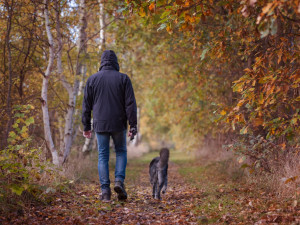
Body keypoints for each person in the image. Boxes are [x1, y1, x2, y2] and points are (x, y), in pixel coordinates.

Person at [81, 50, 137, 201]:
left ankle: (105, 192)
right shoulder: (123, 79)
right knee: (120, 152)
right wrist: (133, 125)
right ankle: (119, 181)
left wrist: (86, 126)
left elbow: (86, 105)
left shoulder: (92, 80)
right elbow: (130, 104)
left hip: (100, 124)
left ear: (101, 62)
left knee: (103, 156)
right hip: (119, 123)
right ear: (116, 62)